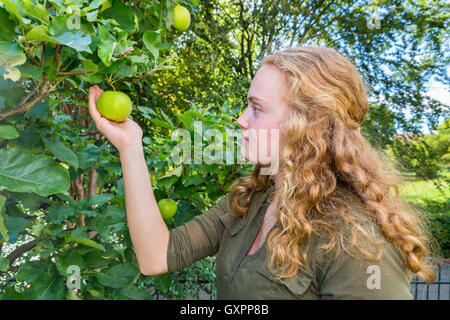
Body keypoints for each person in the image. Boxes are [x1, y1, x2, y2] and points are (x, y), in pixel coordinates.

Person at [87, 45, 439, 300]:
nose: (241, 119)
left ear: (309, 124)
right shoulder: (253, 198)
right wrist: (130, 147)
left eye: (256, 108)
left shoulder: (357, 240)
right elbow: (157, 255)